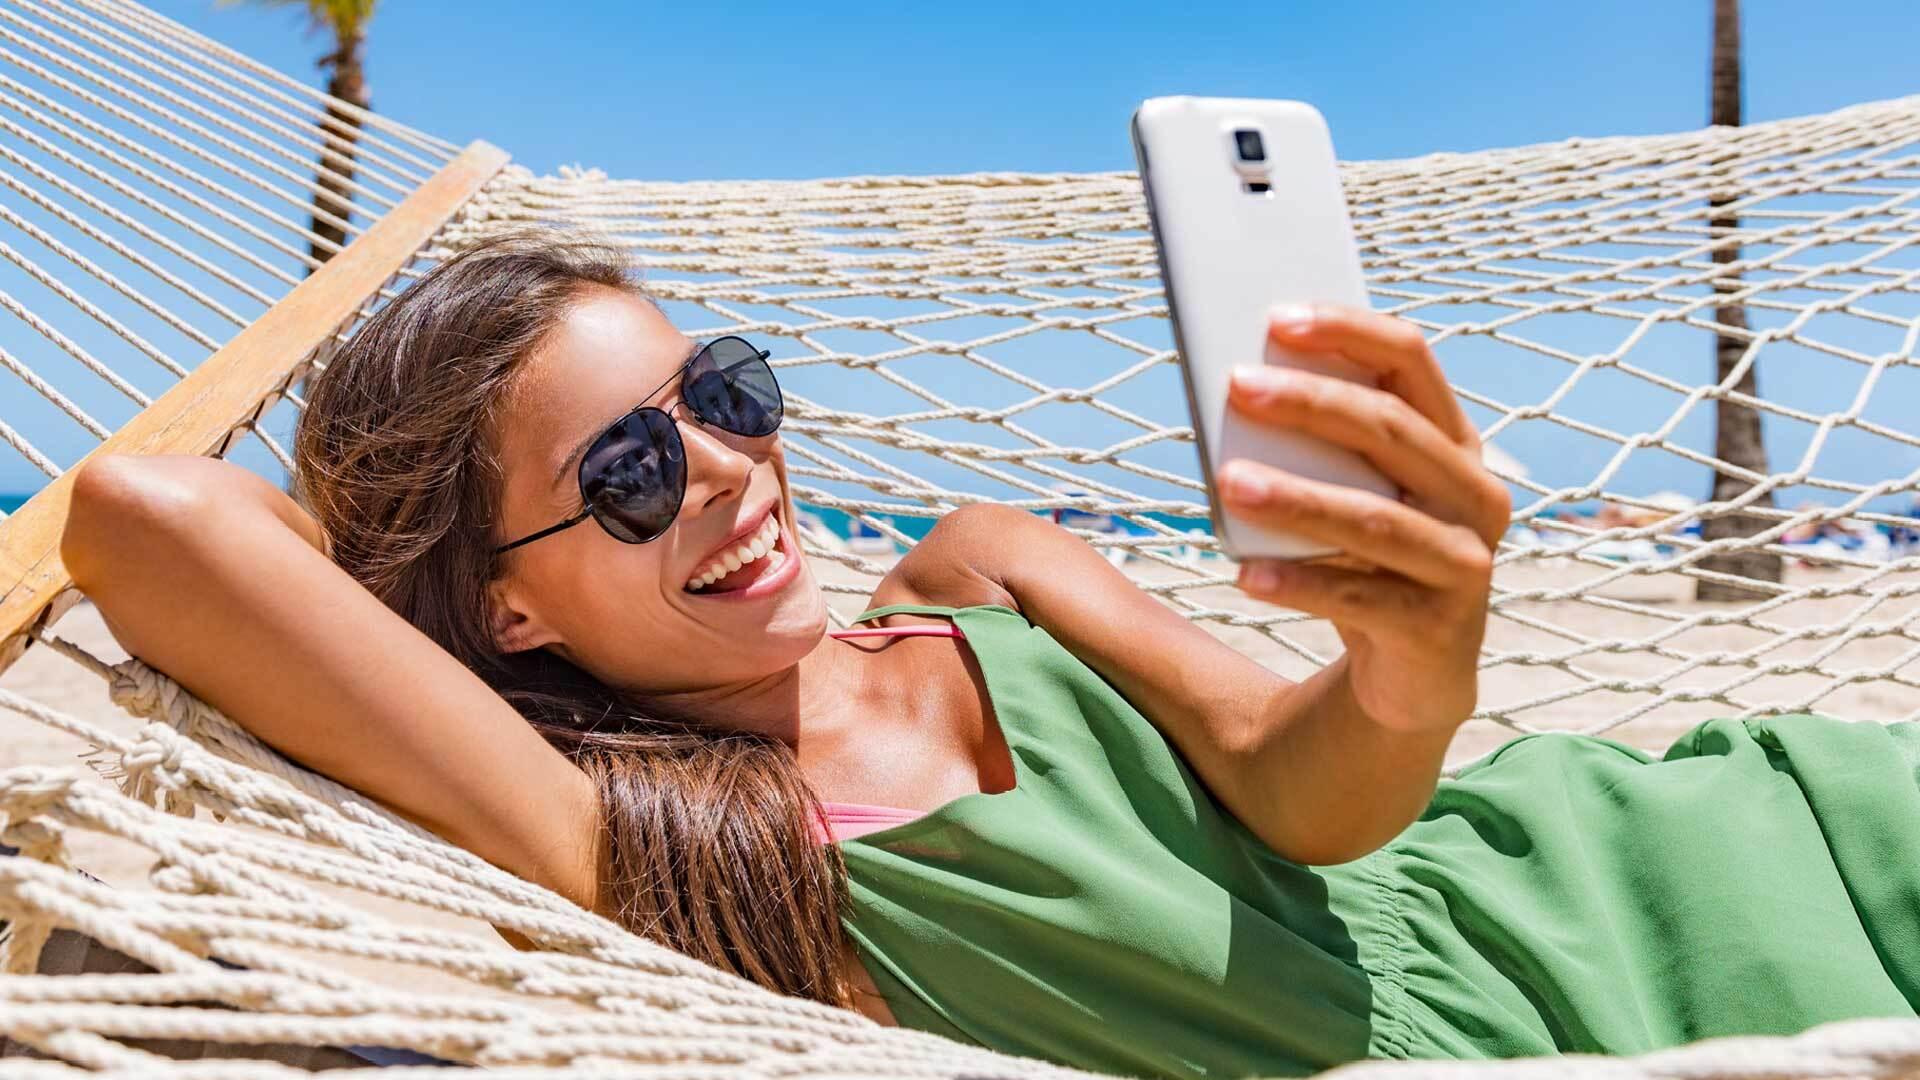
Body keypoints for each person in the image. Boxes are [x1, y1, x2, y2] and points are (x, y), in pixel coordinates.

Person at [61, 234, 1920, 1079]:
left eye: (725, 392)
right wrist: (424, 604)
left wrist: (1414, 669)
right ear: (509, 611)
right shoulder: (645, 855)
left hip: (1731, 850)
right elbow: (156, 522)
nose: (726, 466)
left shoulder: (981, 568)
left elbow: (1303, 779)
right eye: (629, 473)